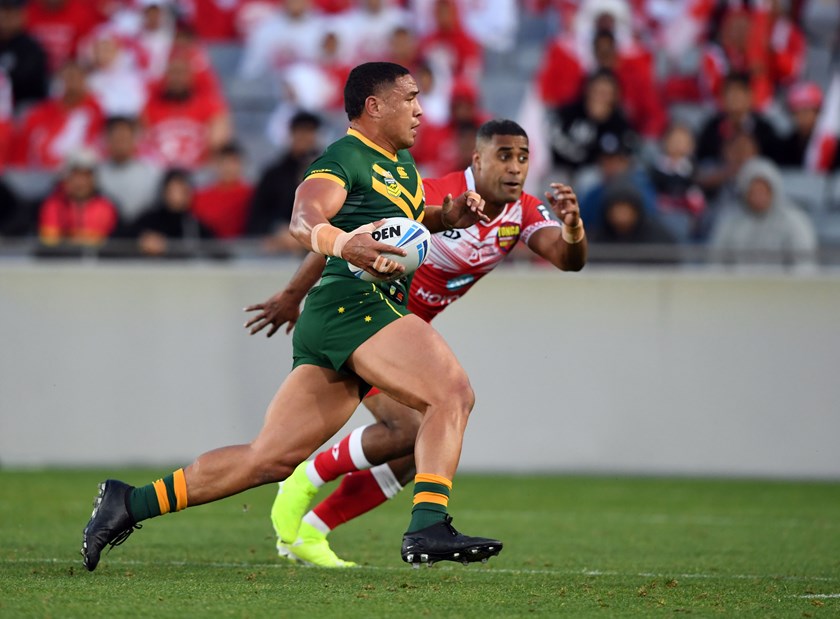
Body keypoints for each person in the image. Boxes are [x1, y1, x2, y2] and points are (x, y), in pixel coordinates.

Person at [80, 62, 502, 572]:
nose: (419, 110)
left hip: (332, 314)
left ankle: (128, 503)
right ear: (374, 106)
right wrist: (345, 245)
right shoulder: (344, 158)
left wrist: (446, 216)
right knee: (452, 394)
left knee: (269, 459)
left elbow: (399, 224)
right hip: (358, 304)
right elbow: (305, 219)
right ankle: (428, 524)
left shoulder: (400, 165)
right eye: (409, 98)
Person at [247, 118, 587, 567]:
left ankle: (312, 530)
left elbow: (567, 259)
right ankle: (305, 478)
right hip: (368, 323)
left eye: (523, 158)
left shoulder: (523, 212)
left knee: (417, 453)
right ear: (478, 159)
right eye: (504, 156)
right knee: (410, 430)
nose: (515, 167)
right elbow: (351, 232)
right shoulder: (436, 193)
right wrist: (293, 295)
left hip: (408, 337)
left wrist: (572, 227)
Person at [708, 156, 818, 268]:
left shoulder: (794, 221)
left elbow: (804, 265)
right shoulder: (730, 221)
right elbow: (716, 262)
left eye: (763, 190)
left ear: (774, 190)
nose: (758, 196)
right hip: (739, 279)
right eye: (753, 191)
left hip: (780, 279)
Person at [244, 110, 322, 252]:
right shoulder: (273, 175)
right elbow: (257, 216)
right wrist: (276, 229)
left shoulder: (330, 171)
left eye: (309, 132)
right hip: (280, 248)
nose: (305, 138)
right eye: (300, 132)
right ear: (291, 134)